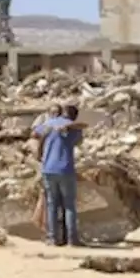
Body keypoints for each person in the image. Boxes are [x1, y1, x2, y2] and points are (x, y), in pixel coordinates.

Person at [33, 104, 83, 246]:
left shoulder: (49, 123)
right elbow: (79, 141)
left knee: (52, 204)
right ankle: (72, 240)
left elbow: (34, 133)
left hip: (48, 168)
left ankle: (52, 238)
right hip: (66, 169)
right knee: (69, 205)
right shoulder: (75, 128)